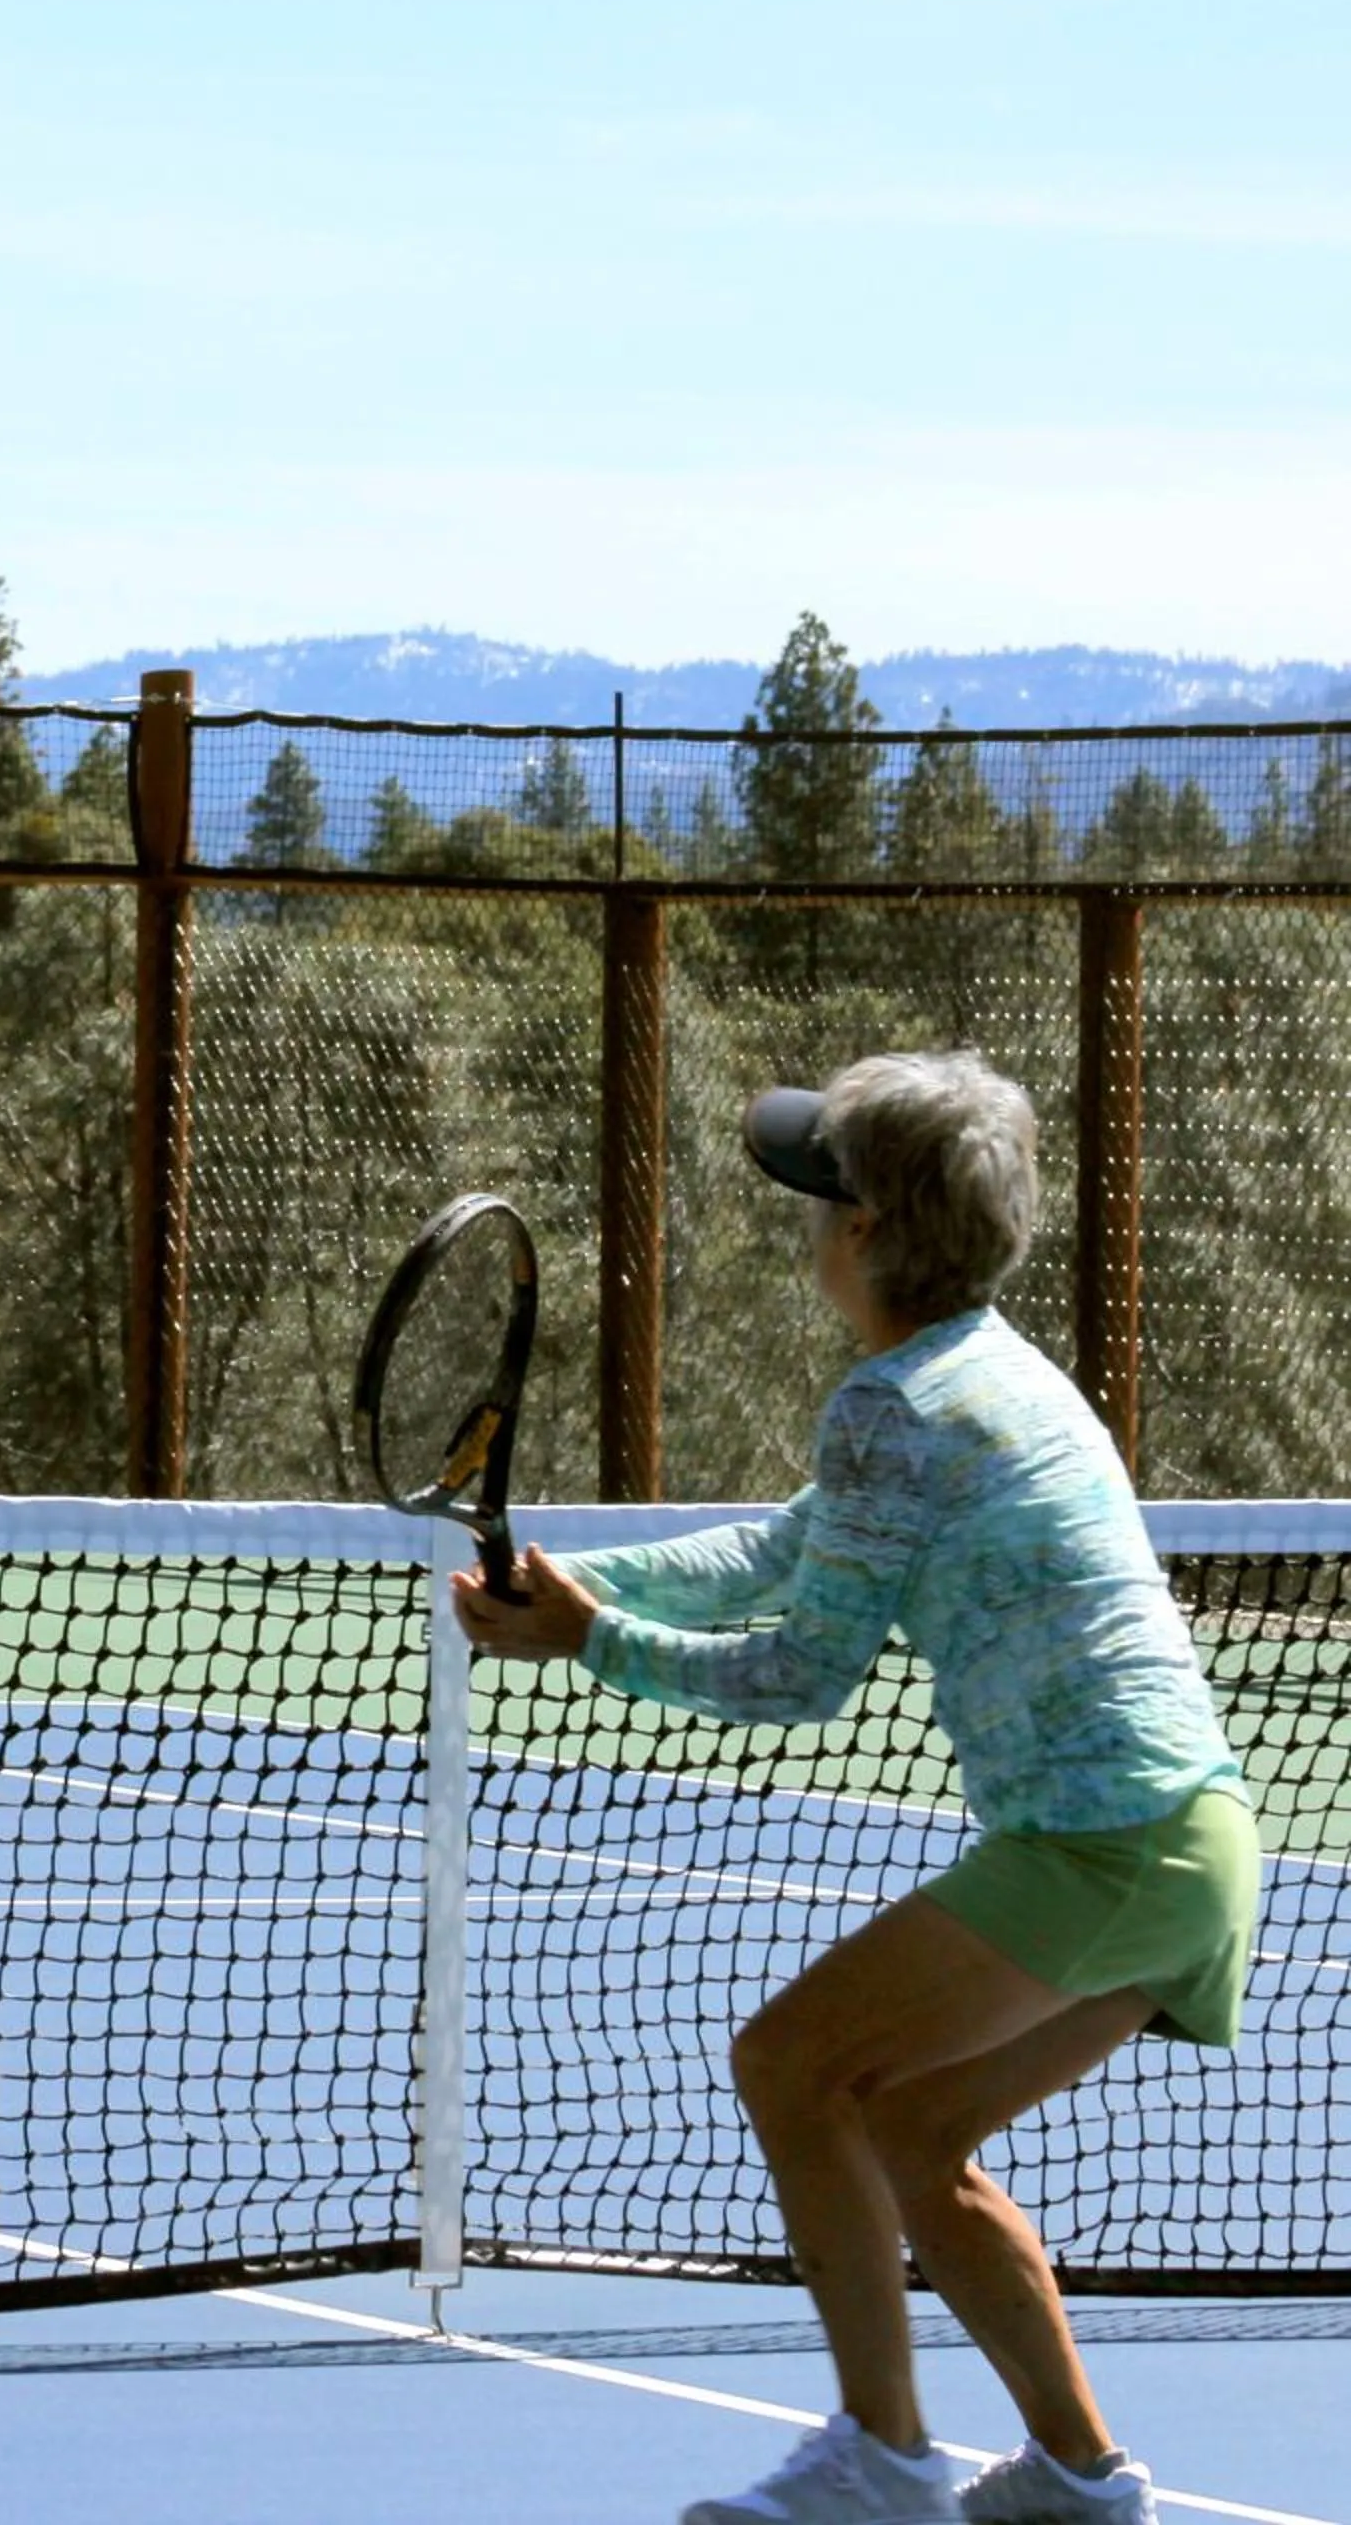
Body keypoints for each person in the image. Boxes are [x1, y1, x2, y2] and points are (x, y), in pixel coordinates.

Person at [454, 1052, 1254, 2525]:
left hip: (1105, 1843)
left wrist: (591, 1644)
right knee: (911, 2133)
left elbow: (802, 1675)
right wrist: (576, 1587)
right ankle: (1082, 2481)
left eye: (819, 1197)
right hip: (1195, 1851)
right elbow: (776, 1554)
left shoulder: (898, 1406)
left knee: (789, 2066)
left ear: (869, 1228)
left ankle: (883, 2461)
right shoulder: (991, 1370)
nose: (802, 1224)